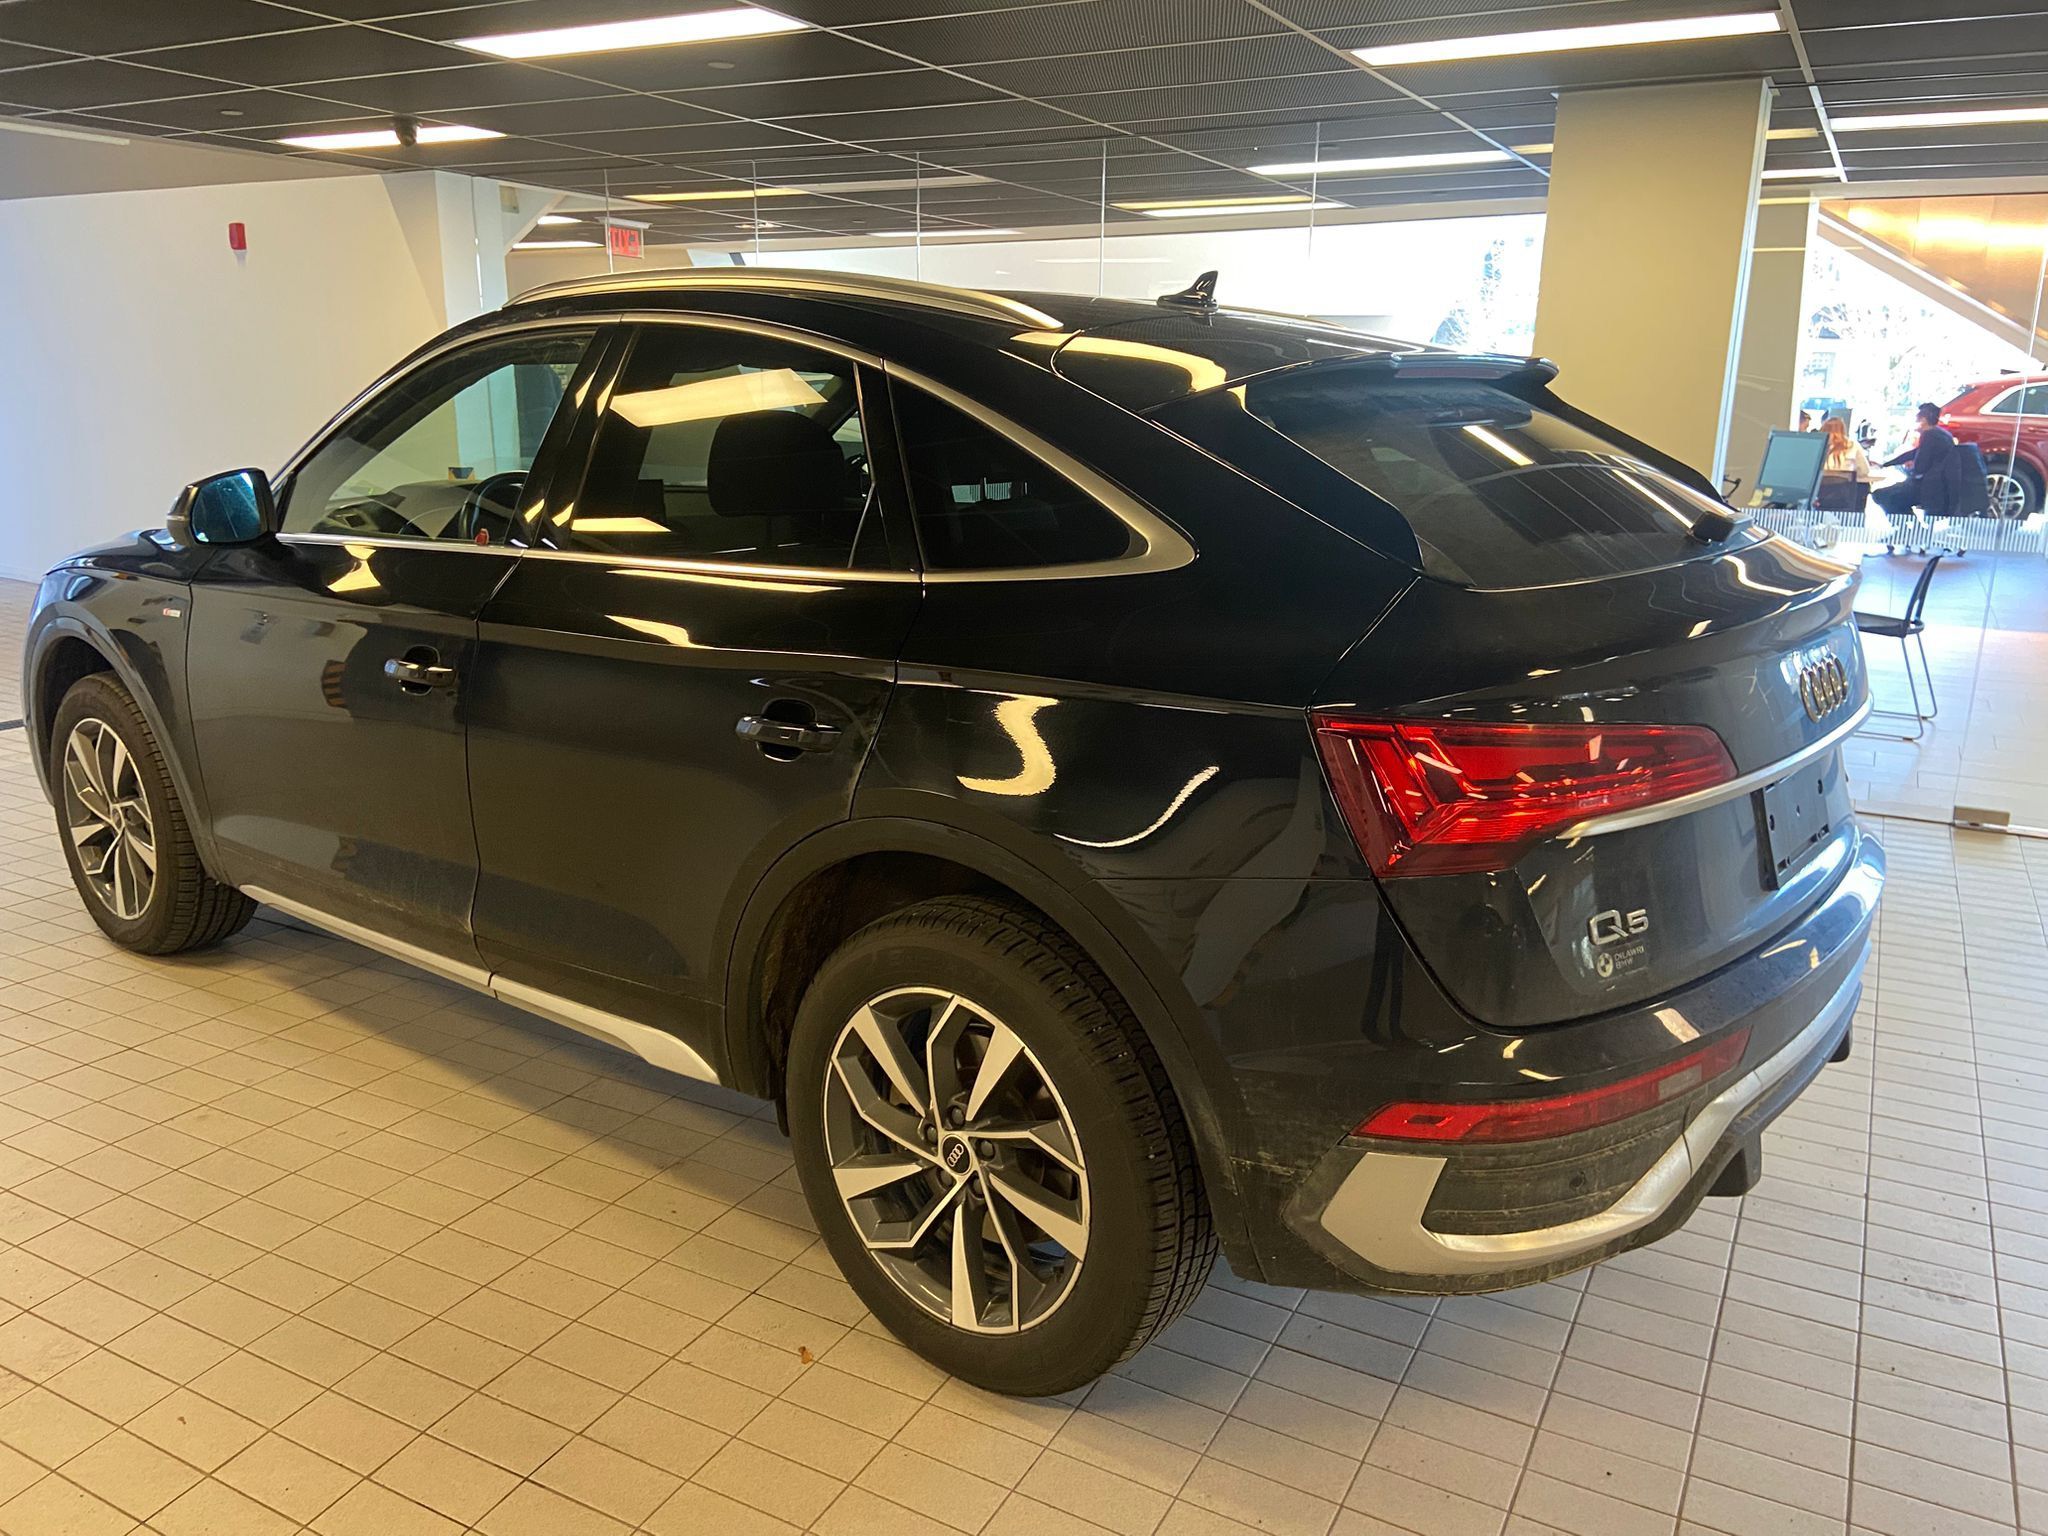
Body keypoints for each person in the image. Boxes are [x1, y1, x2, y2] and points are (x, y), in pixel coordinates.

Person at [1873, 402, 1962, 525]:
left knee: (1881, 495)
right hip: (1940, 487)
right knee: (1893, 496)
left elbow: (1920, 467)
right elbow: (1914, 454)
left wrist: (1907, 470)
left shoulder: (1930, 435)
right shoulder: (1943, 434)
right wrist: (1886, 464)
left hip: (1928, 488)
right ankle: (1913, 531)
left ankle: (1910, 532)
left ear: (1923, 420)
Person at [1814, 415, 1871, 512]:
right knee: (1864, 487)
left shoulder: (1815, 445)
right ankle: (1856, 521)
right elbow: (1865, 470)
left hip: (1818, 497)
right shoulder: (1852, 445)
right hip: (1844, 497)